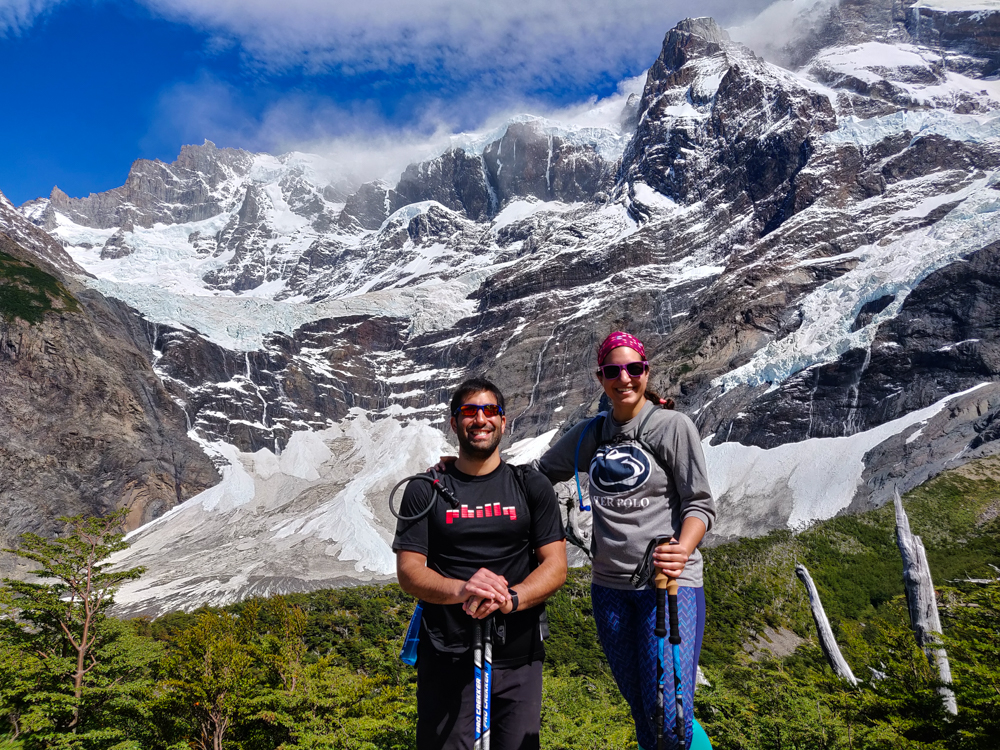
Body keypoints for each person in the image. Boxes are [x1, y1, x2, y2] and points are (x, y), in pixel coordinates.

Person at [534, 331, 716, 750]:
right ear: (601, 378)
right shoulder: (590, 435)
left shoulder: (672, 427)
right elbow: (539, 474)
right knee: (642, 706)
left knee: (669, 713)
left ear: (646, 372)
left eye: (633, 369)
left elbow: (700, 505)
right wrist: (467, 469)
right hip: (609, 589)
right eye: (613, 370)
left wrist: (683, 549)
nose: (624, 378)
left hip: (670, 586)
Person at [393, 377, 567, 750]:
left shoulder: (530, 485)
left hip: (519, 653)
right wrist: (463, 590)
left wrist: (512, 598)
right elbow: (409, 571)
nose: (481, 419)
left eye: (491, 411)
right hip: (446, 652)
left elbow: (555, 566)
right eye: (469, 411)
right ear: (454, 423)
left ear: (504, 422)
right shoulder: (425, 489)